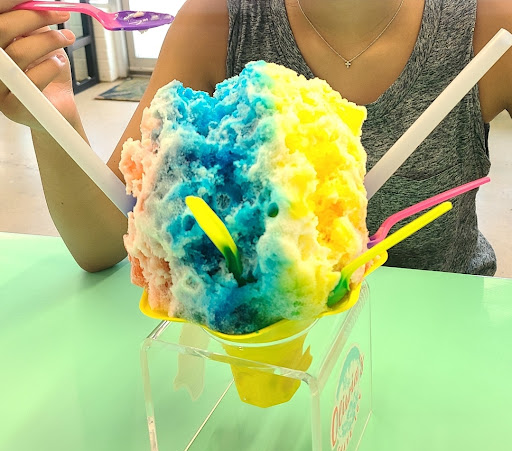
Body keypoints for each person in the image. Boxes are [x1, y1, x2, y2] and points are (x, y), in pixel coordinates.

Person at [0, 0, 510, 274]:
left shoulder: (489, 25)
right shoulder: (216, 22)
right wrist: (53, 115)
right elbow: (107, 238)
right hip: (268, 354)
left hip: (441, 342)